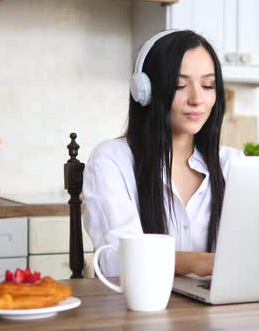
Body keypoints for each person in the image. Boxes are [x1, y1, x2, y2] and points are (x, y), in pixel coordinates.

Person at [83, 30, 243, 278]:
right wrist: (194, 262)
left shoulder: (232, 164)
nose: (197, 99)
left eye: (208, 85)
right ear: (144, 91)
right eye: (180, 85)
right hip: (139, 310)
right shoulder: (111, 159)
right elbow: (116, 260)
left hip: (218, 310)